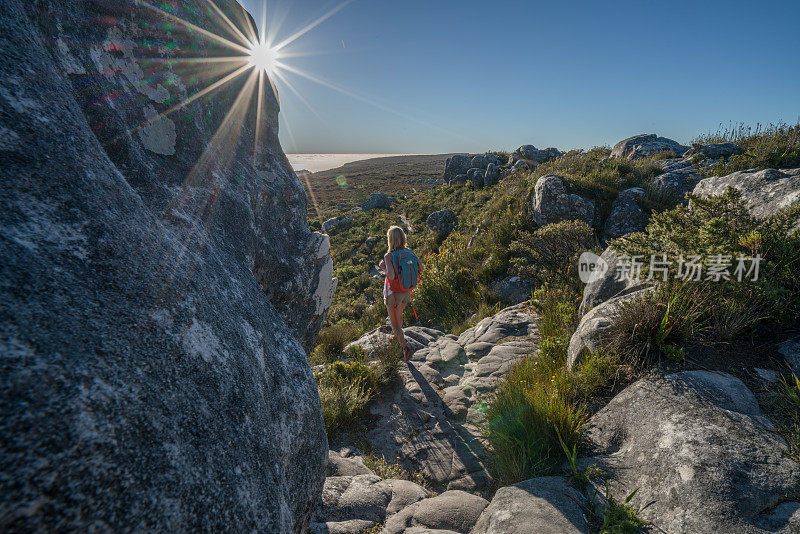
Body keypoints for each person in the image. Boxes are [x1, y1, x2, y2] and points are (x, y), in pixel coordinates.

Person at [378, 226, 423, 361]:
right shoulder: (410, 252)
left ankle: (406, 347)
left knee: (394, 323)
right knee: (399, 316)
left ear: (390, 240)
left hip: (393, 293)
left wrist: (383, 267)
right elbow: (421, 268)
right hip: (406, 291)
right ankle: (396, 335)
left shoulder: (389, 256)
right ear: (403, 238)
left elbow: (390, 277)